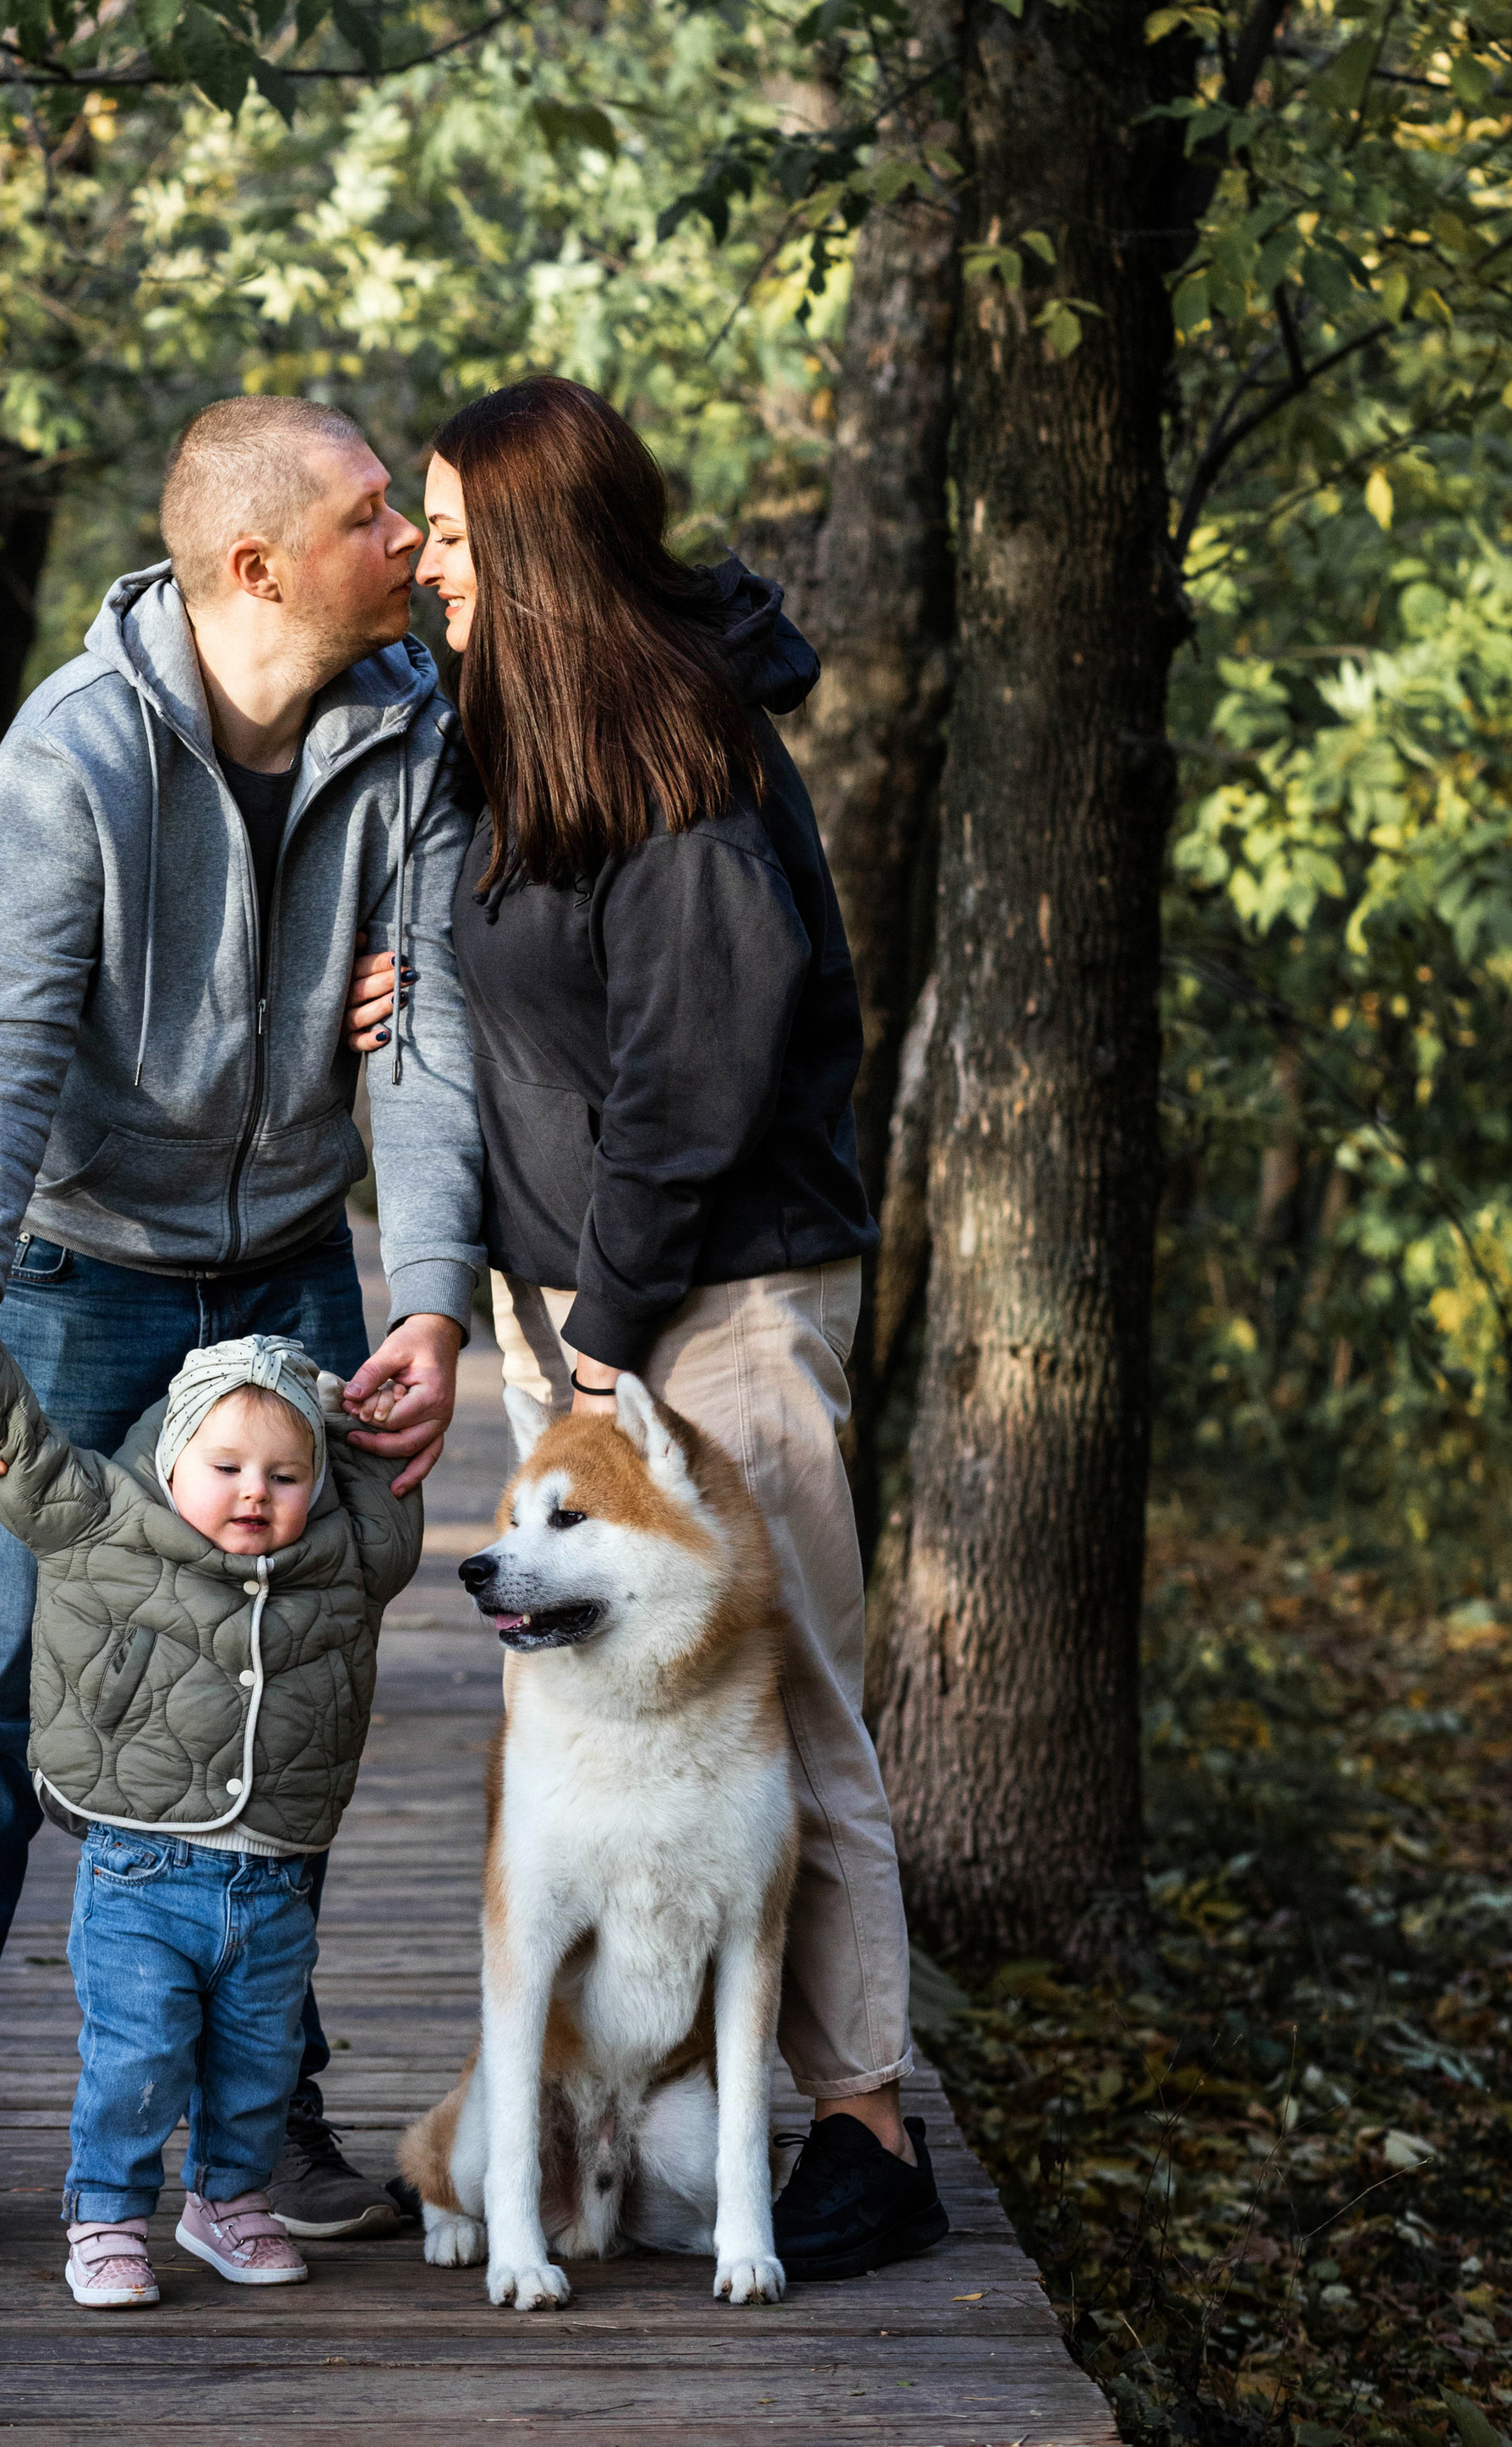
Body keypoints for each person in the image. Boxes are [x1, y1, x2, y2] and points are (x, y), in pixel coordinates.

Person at [0, 398, 483, 2265]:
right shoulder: (77, 751)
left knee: (281, 1687)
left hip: (286, 1267)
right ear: (256, 566)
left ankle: (258, 2130)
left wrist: (424, 1291)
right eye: (374, 520)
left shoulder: (407, 739)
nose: (412, 547)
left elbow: (419, 1045)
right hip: (78, 1273)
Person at [349, 372, 948, 2282]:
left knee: (787, 1691)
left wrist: (600, 1327)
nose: (423, 564)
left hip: (720, 1299)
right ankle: (589, 2111)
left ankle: (860, 2121)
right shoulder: (519, 729)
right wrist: (414, 982)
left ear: (524, 548)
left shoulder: (679, 749)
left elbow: (691, 1074)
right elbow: (545, 995)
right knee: (596, 1705)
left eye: (445, 532)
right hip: (589, 1306)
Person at [0, 1321, 422, 2308]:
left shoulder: (346, 1561)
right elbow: (23, 1453)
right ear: (168, 1457)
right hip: (139, 1876)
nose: (253, 1494)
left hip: (275, 1880)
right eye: (225, 1466)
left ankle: (226, 2202)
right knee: (137, 2055)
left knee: (260, 2063)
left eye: (284, 1476)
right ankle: (103, 2214)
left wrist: (355, 1425)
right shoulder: (103, 1519)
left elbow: (384, 1504)